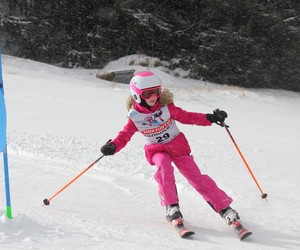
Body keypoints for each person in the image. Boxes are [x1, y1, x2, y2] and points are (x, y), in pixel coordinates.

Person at [100, 71, 240, 227]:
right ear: (136, 95)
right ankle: (172, 206)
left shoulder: (167, 108)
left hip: (177, 147)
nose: (153, 96)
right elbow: (124, 135)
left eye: (156, 91)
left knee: (196, 177)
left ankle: (225, 209)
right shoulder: (135, 117)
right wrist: (113, 146)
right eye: (147, 93)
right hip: (157, 150)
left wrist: (210, 118)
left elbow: (188, 117)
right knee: (164, 167)